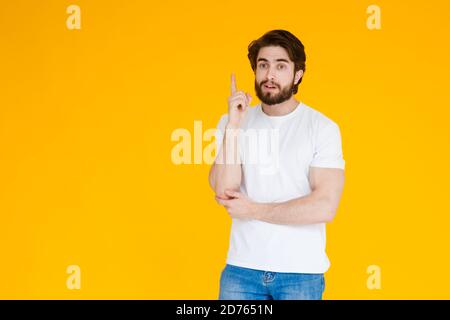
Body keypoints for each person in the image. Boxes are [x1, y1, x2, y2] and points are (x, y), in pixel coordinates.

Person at [208, 30, 345, 300]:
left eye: (281, 66)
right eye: (263, 65)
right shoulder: (233, 122)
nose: (270, 74)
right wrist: (234, 126)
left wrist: (254, 209)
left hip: (300, 274)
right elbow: (225, 190)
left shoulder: (322, 128)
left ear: (298, 74)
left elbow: (325, 205)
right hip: (241, 270)